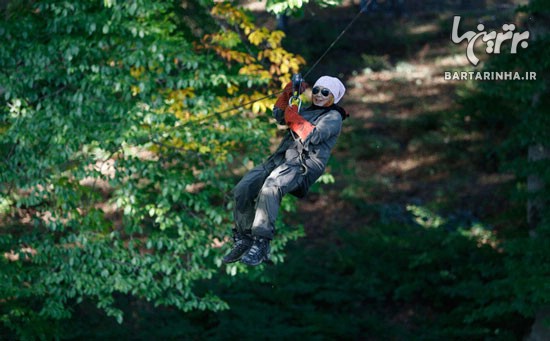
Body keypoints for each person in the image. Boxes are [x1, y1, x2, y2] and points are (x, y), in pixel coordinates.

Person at [222, 75, 348, 266]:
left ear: (334, 97)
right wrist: (286, 95)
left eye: (325, 92)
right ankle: (244, 237)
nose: (318, 95)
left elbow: (312, 136)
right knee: (243, 188)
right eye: (315, 90)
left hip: (303, 165)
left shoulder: (333, 117)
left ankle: (261, 242)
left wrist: (292, 115)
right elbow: (281, 117)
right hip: (281, 159)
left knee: (270, 187)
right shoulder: (306, 111)